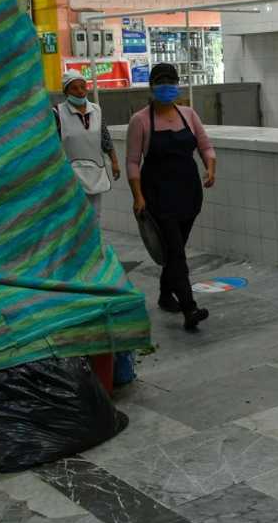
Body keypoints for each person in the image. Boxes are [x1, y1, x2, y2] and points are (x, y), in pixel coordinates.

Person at [126, 63, 216, 331]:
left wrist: (210, 169)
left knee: (174, 251)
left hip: (189, 193)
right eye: (161, 82)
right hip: (158, 195)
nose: (167, 86)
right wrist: (138, 196)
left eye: (171, 81)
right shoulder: (140, 120)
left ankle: (166, 295)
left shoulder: (188, 114)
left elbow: (206, 146)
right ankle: (189, 308)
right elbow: (132, 162)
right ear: (152, 87)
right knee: (176, 252)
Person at [55, 70, 120, 220]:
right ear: (66, 92)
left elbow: (105, 138)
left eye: (83, 87)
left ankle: (95, 242)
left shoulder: (96, 110)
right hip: (70, 174)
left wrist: (115, 162)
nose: (80, 91)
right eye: (74, 88)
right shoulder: (58, 113)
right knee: (73, 216)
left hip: (94, 171)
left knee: (94, 214)